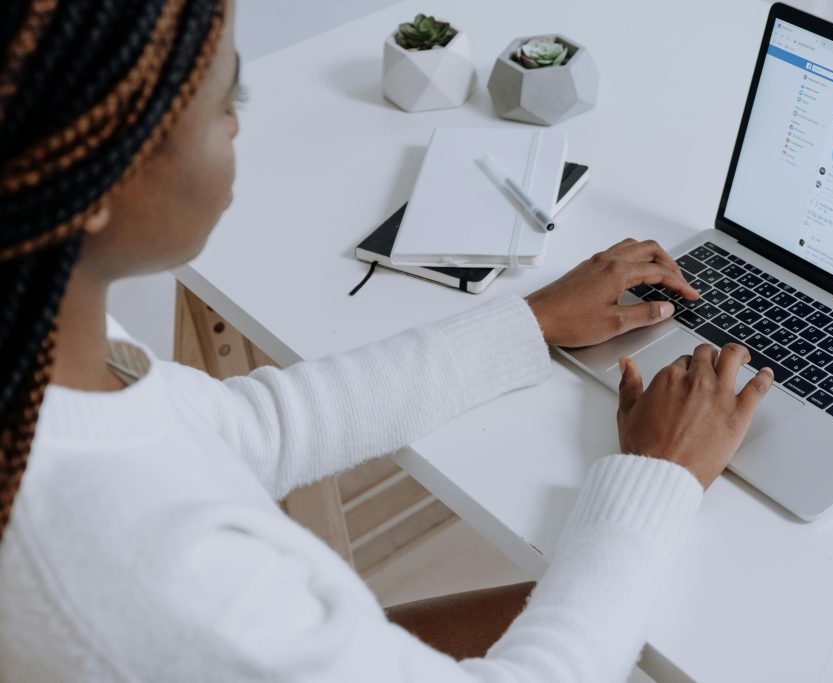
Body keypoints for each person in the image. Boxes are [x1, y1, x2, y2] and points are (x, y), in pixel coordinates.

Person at [0, 1, 774, 680]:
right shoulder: (151, 575)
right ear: (87, 174)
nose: (237, 121)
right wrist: (656, 473)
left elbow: (246, 427)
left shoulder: (40, 348)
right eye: (222, 98)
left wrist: (529, 321)